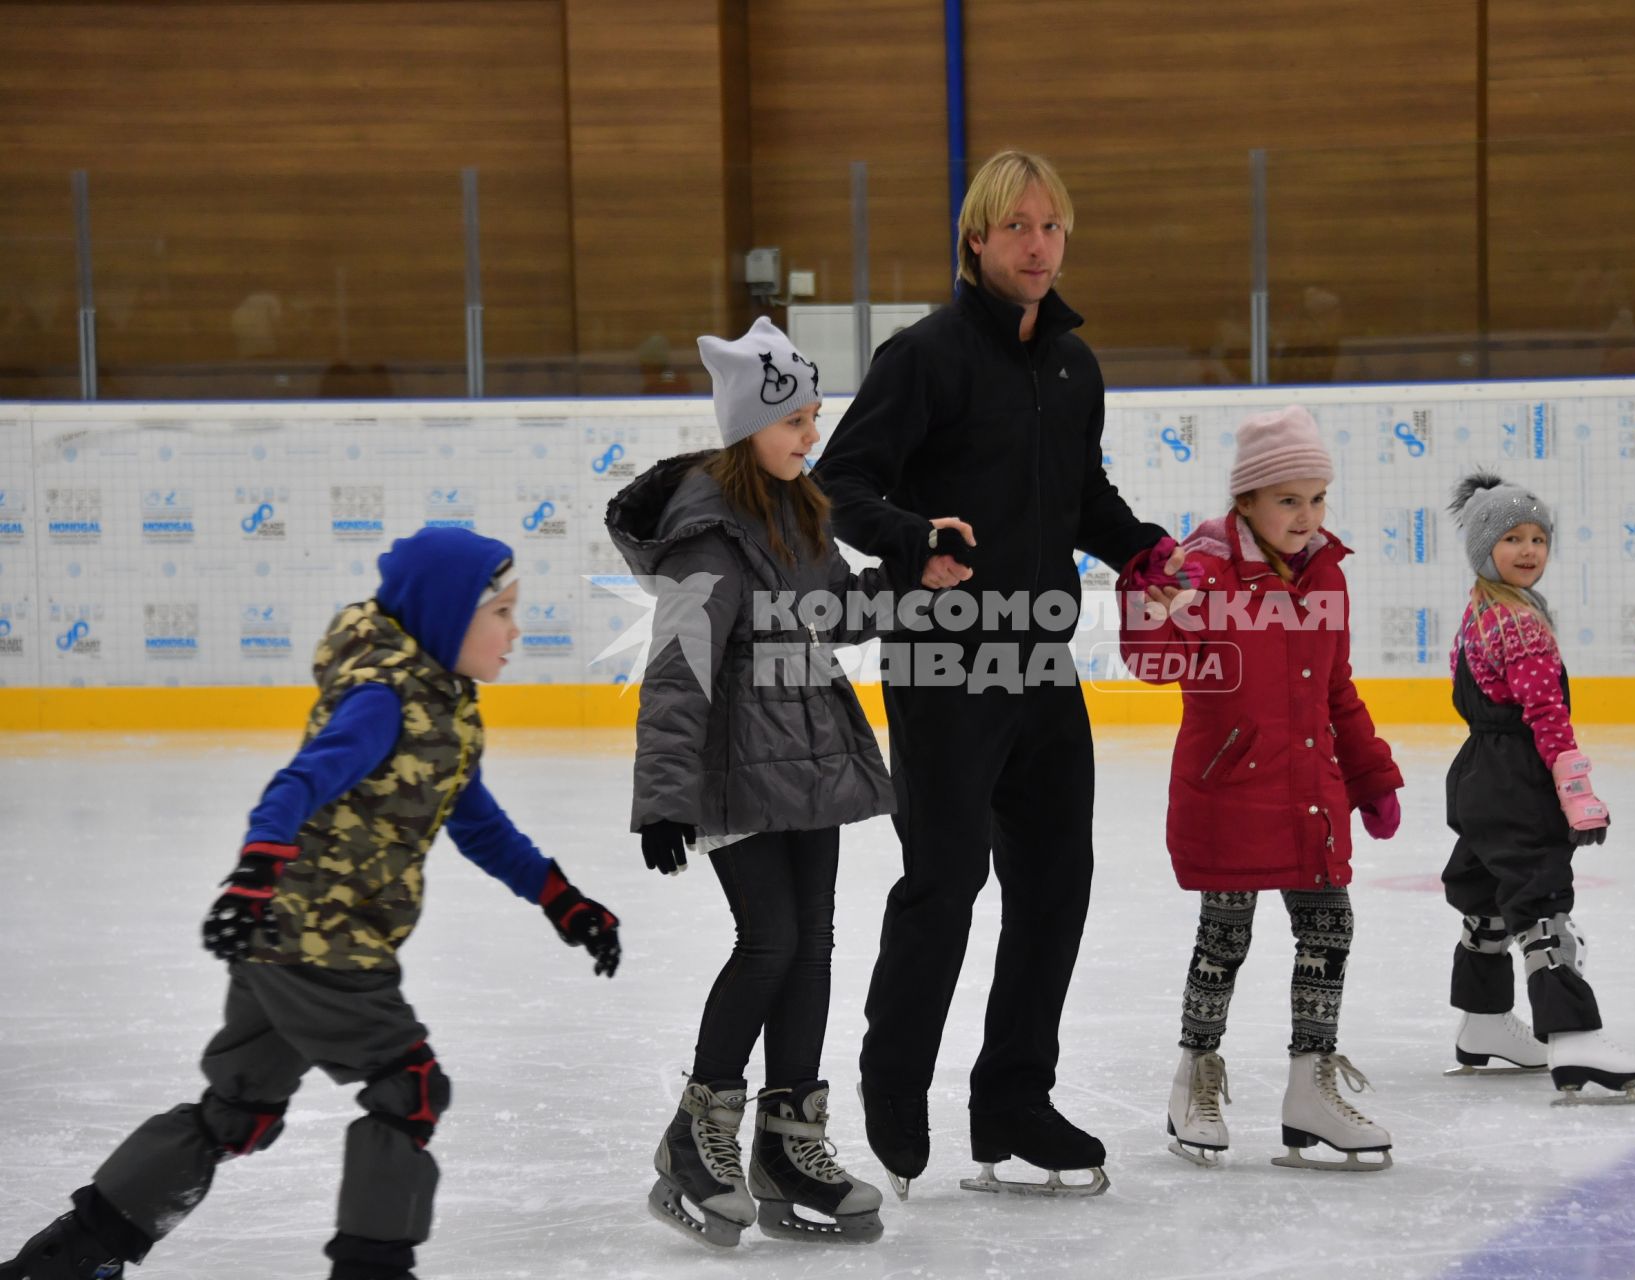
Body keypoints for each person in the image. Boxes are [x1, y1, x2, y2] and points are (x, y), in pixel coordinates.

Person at [1, 527, 623, 1280]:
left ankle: (66, 1260)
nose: (516, 630)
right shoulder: (382, 700)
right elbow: (297, 783)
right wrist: (251, 877)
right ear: (447, 615)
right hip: (318, 938)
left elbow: (478, 822)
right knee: (408, 1090)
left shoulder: (439, 707)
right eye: (502, 612)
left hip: (284, 936)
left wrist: (565, 903)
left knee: (238, 1111)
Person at [811, 149, 1169, 1198]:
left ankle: (1013, 1095)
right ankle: (894, 1075)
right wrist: (913, 538)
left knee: (1057, 882)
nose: (1038, 245)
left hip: (1041, 658)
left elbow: (1080, 493)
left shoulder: (1073, 365)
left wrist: (1141, 550)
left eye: (1052, 227)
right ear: (977, 239)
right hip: (942, 662)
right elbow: (841, 483)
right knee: (946, 879)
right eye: (1017, 227)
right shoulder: (922, 355)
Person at [605, 317, 902, 1246]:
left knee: (811, 942)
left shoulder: (796, 507)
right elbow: (678, 670)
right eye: (796, 421)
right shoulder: (708, 532)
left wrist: (912, 577)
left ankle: (788, 1141)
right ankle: (700, 1133)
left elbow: (839, 610)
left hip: (808, 756)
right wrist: (663, 801)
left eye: (814, 418)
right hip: (735, 768)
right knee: (770, 942)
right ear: (747, 425)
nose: (811, 436)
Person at [1120, 407, 1404, 1171]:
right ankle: (1195, 1078)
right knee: (1225, 936)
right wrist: (1150, 605)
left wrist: (1371, 773)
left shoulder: (1325, 572)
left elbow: (1336, 689)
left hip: (1310, 790)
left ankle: (1311, 1086)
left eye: (1317, 499)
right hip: (1231, 793)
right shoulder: (1202, 572)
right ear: (1245, 500)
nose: (1306, 518)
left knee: (1329, 929)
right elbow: (1158, 663)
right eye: (1288, 500)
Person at [1442, 474, 1635, 1105]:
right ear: (1486, 548)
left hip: (1478, 775)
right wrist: (1575, 791)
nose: (1529, 549)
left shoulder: (1481, 610)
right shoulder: (1522, 624)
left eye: (1538, 537)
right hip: (1517, 777)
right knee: (1540, 900)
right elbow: (1547, 717)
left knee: (1487, 893)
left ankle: (1484, 1020)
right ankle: (1573, 1037)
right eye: (1512, 537)